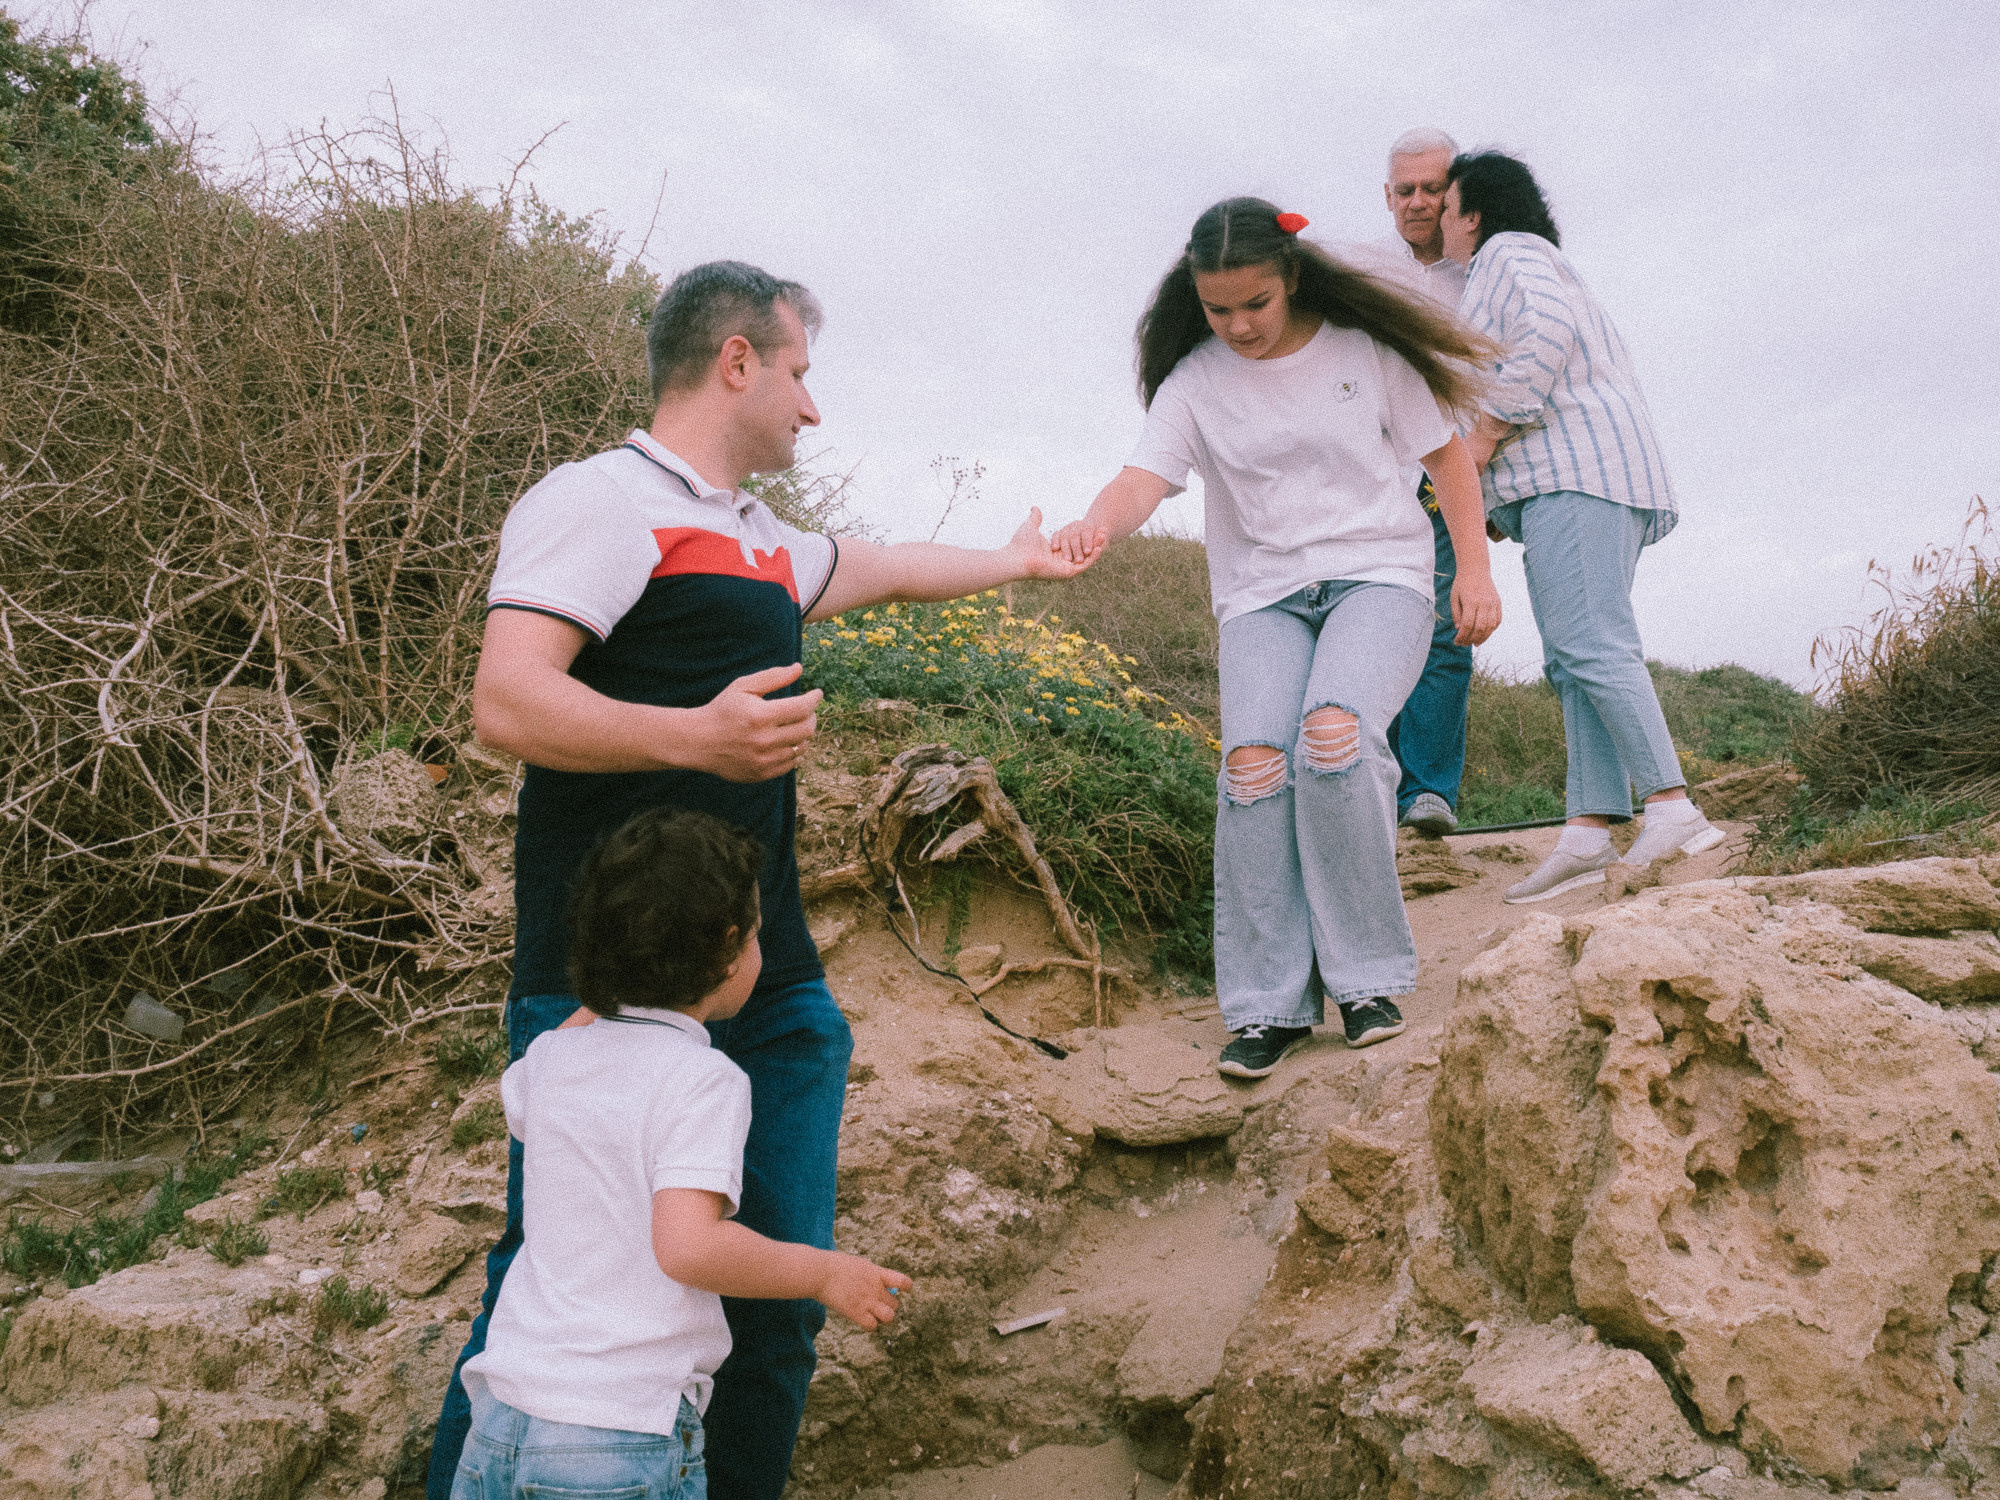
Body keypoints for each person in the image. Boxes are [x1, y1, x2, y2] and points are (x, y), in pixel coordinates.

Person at [426, 260, 1104, 1500]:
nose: (810, 407)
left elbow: (884, 566)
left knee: (779, 1295)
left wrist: (1016, 564)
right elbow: (505, 699)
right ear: (736, 360)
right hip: (605, 985)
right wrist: (696, 734)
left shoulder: (754, 536)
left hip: (767, 980)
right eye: (798, 372)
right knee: (552, 1288)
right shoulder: (598, 503)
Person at [1053, 199, 1500, 1080]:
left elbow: (1447, 460)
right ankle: (1268, 1007)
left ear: (1290, 277)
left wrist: (1475, 573)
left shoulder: (1362, 350)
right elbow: (1146, 477)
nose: (1239, 325)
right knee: (1254, 764)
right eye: (1219, 309)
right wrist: (1093, 525)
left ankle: (1366, 980)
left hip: (1380, 576)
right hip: (1263, 594)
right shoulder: (1195, 381)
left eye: (1254, 303)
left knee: (1332, 737)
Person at [452, 807, 913, 1500]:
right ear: (731, 947)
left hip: (500, 1425)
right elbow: (689, 1248)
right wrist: (822, 1273)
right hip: (618, 1438)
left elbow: (517, 1100)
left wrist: (606, 980)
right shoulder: (703, 1080)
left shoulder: (552, 1059)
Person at [1437, 152, 1723, 903]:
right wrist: (1499, 494)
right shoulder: (1520, 261)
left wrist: (1487, 435)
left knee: (1592, 641)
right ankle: (1589, 831)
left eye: (1446, 207)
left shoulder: (1508, 252)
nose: (1438, 220)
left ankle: (1671, 806)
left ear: (1474, 212)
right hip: (1574, 480)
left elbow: (1545, 328)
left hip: (1580, 474)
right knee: (1572, 656)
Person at [1338, 128, 1476, 837]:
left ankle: (1428, 794)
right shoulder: (1361, 269)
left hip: (1449, 470)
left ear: (1455, 193)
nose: (1418, 202)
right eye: (1405, 190)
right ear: (1386, 196)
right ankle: (1369, 791)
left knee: (1448, 631)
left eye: (1433, 188)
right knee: (1367, 620)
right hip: (1369, 474)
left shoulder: (1481, 272)